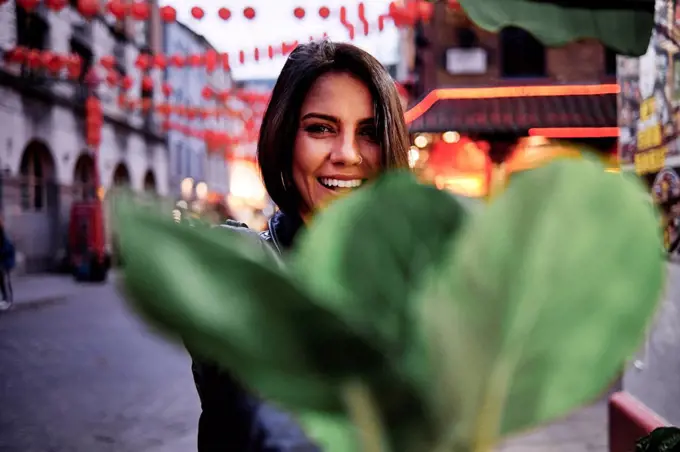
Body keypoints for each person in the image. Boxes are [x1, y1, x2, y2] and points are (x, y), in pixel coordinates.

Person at [190, 40, 410, 451]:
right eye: (320, 128)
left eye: (368, 132)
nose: (347, 154)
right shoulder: (244, 273)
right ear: (284, 138)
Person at [0, 219, 15, 311]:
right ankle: (5, 299)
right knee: (3, 282)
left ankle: (8, 300)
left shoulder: (4, 238)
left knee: (5, 282)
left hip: (5, 263)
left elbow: (7, 249)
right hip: (3, 263)